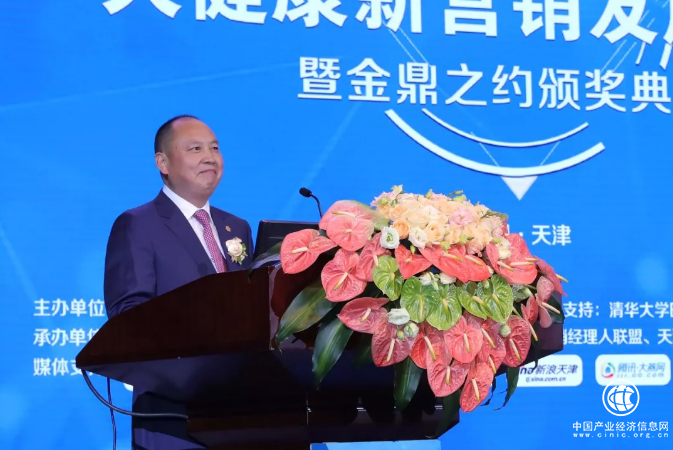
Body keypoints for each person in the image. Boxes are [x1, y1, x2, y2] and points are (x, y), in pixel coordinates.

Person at [103, 115, 254, 450]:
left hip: (241, 408)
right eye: (195, 149)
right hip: (172, 412)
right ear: (163, 163)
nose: (209, 157)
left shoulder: (237, 227)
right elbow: (128, 314)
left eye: (214, 148)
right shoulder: (137, 224)